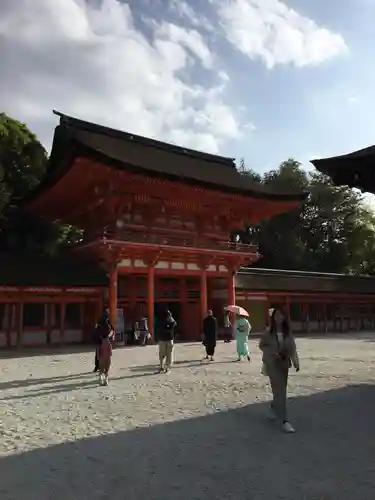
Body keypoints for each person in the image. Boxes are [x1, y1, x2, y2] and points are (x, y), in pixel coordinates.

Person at [259, 307, 300, 433]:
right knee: (280, 391)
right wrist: (272, 352)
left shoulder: (288, 333)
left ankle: (273, 407)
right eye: (276, 315)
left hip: (284, 364)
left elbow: (292, 348)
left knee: (280, 391)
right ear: (273, 317)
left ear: (284, 317)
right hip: (272, 365)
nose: (278, 318)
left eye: (281, 315)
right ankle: (284, 421)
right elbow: (262, 345)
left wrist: (296, 361)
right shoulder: (268, 332)